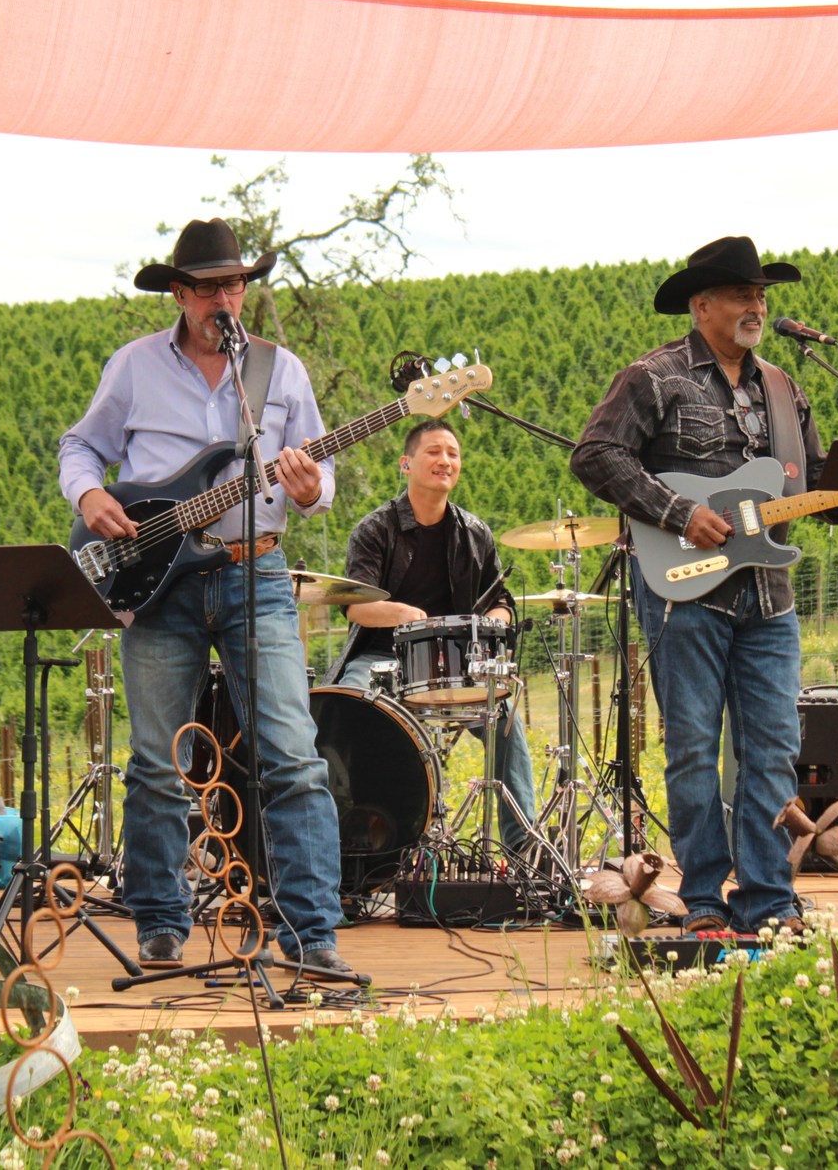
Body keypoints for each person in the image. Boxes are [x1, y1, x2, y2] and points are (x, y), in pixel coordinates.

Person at [570, 235, 838, 935]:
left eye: (762, 294)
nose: (757, 305)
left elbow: (808, 489)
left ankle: (767, 899)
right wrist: (680, 511)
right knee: (692, 745)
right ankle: (707, 901)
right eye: (743, 294)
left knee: (772, 746)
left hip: (768, 595)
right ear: (701, 304)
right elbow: (595, 455)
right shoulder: (654, 377)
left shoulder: (785, 386)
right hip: (683, 590)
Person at [58, 218, 351, 973]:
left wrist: (313, 486)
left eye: (237, 283)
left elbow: (319, 485)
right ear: (182, 294)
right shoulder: (133, 367)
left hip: (257, 571)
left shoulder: (279, 371)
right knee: (158, 758)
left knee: (292, 754)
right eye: (213, 286)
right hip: (156, 581)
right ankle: (159, 920)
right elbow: (80, 445)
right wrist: (90, 496)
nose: (228, 298)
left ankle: (311, 934)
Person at [332, 421, 536, 852]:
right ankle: (356, 848)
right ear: (406, 464)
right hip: (380, 661)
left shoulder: (473, 532)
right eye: (434, 452)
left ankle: (524, 851)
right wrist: (405, 616)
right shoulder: (375, 529)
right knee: (347, 709)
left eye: (453, 454)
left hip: (455, 666)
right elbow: (355, 606)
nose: (446, 460)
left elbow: (500, 599)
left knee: (506, 722)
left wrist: (495, 627)